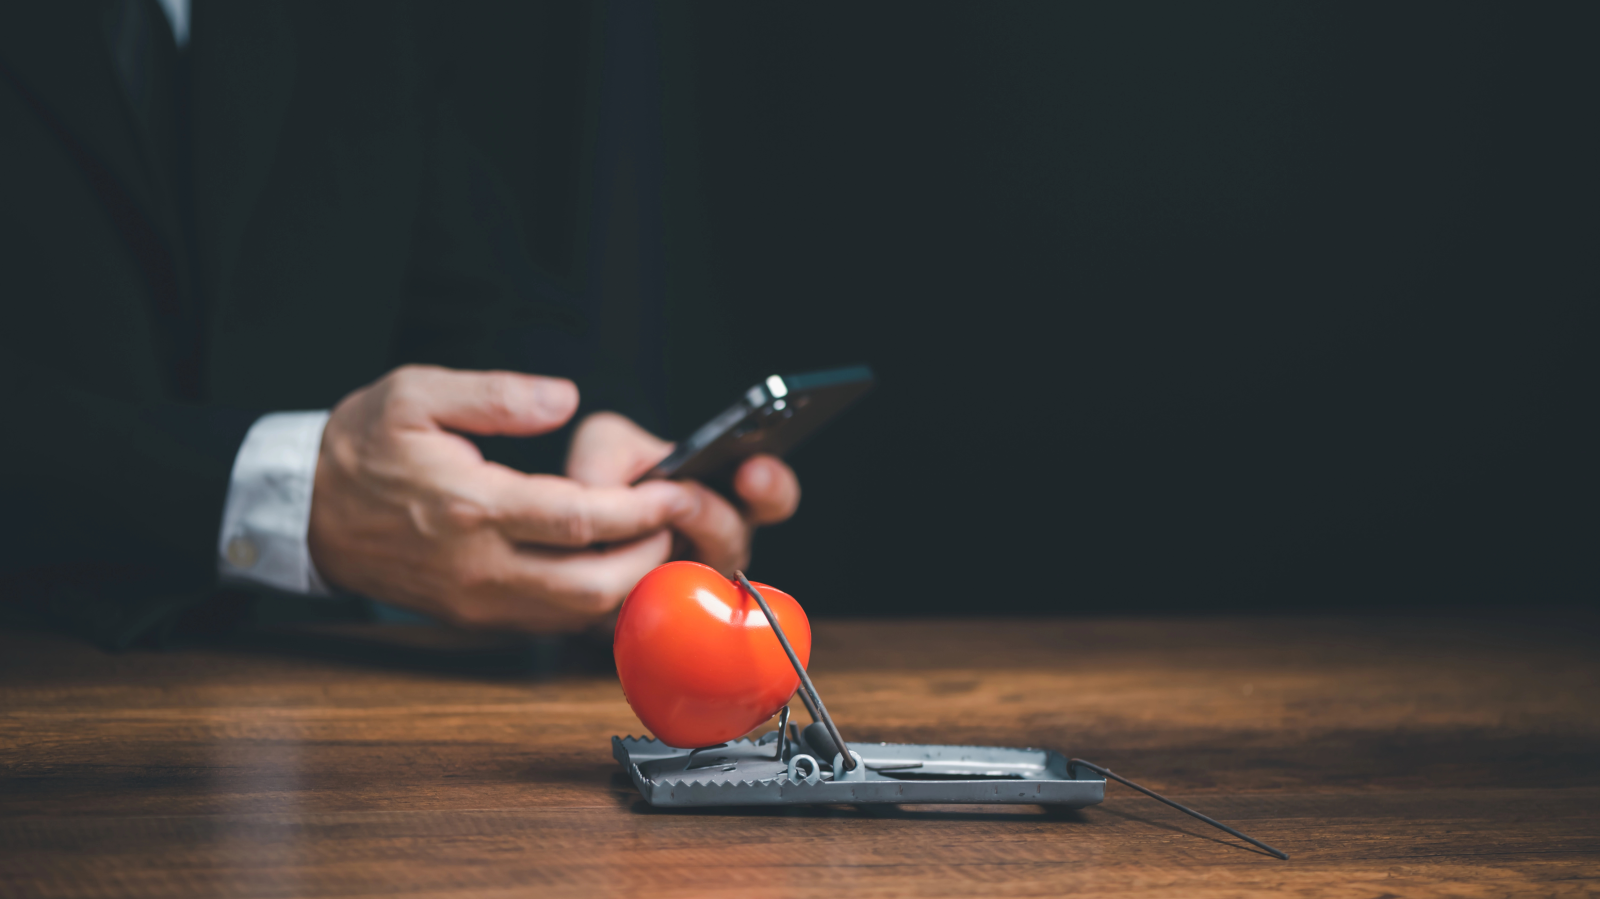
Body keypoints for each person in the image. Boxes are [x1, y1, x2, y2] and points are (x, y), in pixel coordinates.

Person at [0, 0, 798, 648]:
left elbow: (481, 301)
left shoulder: (358, 24)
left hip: (303, 711)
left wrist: (593, 461)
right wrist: (280, 496)